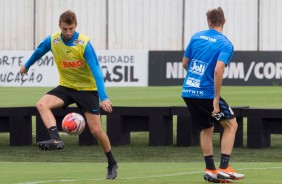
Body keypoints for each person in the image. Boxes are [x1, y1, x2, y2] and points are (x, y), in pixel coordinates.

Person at [20, 10, 118, 180]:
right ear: (60, 26)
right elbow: (39, 52)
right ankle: (55, 139)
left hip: (88, 90)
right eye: (65, 29)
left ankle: (111, 162)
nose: (68, 33)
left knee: (96, 131)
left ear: (76, 26)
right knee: (42, 104)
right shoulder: (53, 40)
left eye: (71, 29)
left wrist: (103, 97)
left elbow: (97, 71)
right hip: (66, 87)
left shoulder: (84, 44)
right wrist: (27, 66)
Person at [181, 7, 244, 183]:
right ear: (224, 22)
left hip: (188, 91)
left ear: (208, 22)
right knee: (231, 124)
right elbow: (218, 70)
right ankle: (224, 167)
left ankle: (210, 169)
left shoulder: (196, 37)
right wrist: (216, 99)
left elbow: (185, 63)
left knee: (207, 128)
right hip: (207, 94)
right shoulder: (225, 44)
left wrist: (196, 77)